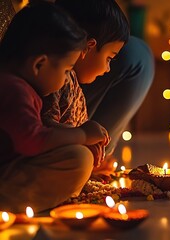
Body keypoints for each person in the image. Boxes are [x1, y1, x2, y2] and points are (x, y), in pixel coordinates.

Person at [0, 2, 109, 213]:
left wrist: (74, 134)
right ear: (39, 64)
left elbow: (35, 130)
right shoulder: (14, 90)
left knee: (78, 154)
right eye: (67, 69)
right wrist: (82, 135)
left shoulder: (18, 86)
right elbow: (33, 142)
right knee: (78, 160)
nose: (67, 78)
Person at [41, 0, 155, 175]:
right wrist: (83, 135)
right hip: (54, 158)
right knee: (80, 159)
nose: (108, 68)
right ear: (88, 47)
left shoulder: (72, 82)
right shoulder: (56, 81)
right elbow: (44, 129)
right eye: (109, 58)